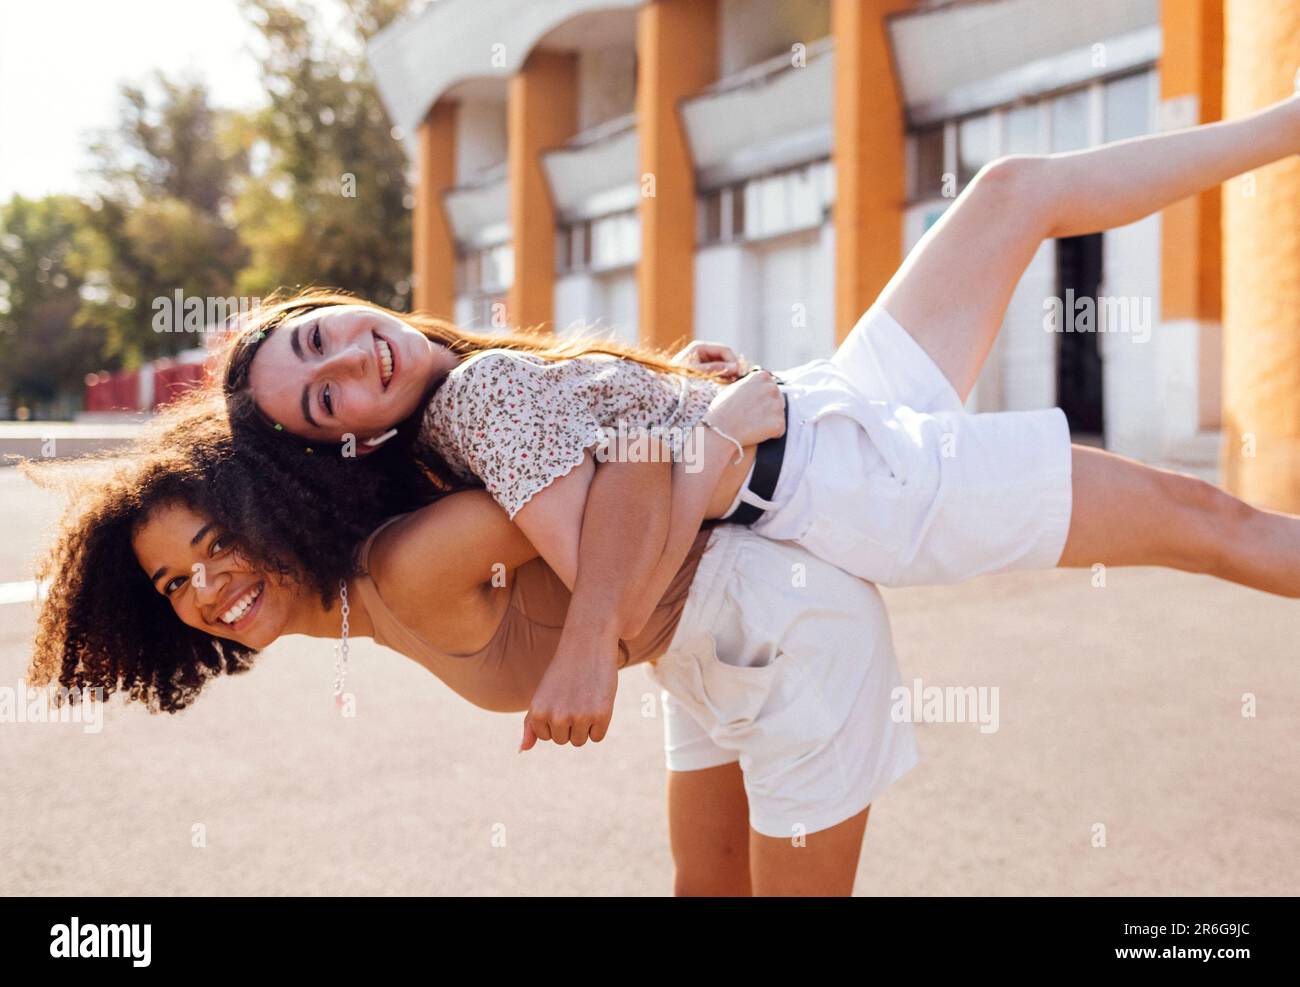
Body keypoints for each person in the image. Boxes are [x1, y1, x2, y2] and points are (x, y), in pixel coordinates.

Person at [220, 85, 1300, 747]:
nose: (353, 362)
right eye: (326, 402)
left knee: (1012, 187)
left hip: (828, 406)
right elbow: (632, 591)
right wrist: (713, 432)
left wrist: (677, 389)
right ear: (351, 441)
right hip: (850, 482)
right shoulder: (472, 399)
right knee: (1206, 523)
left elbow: (618, 473)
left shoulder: (471, 387)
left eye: (323, 336)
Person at [28, 392, 916, 895]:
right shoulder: (365, 595)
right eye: (173, 583)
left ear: (268, 508)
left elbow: (622, 447)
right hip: (699, 654)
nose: (207, 587)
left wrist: (587, 641)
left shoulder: (406, 566)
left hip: (785, 633)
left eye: (217, 543)